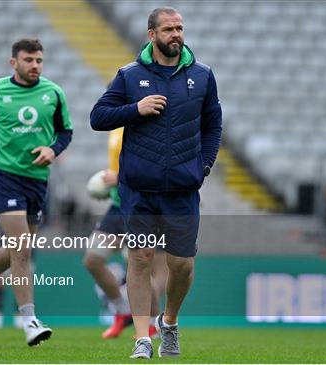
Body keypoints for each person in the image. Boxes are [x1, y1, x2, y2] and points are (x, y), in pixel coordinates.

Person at [90, 7, 222, 359]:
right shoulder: (129, 76)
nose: (176, 34)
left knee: (182, 266)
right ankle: (142, 338)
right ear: (152, 35)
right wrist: (135, 109)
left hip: (182, 189)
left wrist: (205, 165)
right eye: (168, 29)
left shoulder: (203, 76)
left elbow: (213, 126)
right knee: (140, 259)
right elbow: (97, 117)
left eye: (179, 28)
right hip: (139, 190)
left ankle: (170, 321)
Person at [0, 38, 73, 346]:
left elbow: (66, 132)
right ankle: (30, 321)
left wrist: (53, 149)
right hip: (5, 177)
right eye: (28, 60)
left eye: (39, 61)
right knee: (22, 248)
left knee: (16, 251)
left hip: (37, 180)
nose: (35, 66)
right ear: (14, 63)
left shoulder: (54, 93)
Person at [83, 127, 166, 339]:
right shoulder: (116, 127)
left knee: (140, 267)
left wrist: (119, 178)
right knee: (93, 259)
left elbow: (156, 169)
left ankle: (153, 323)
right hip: (119, 205)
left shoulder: (150, 127)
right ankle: (122, 310)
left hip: (143, 205)